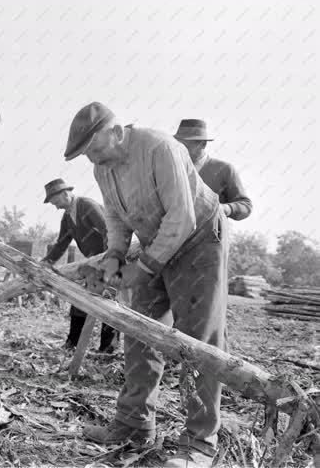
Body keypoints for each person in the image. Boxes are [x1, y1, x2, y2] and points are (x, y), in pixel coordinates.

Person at [65, 102, 228, 468]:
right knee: (139, 331)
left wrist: (145, 268)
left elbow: (182, 217)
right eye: (87, 154)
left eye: (95, 149)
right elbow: (115, 215)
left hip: (198, 240)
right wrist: (114, 254)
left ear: (117, 133)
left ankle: (200, 443)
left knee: (198, 339)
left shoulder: (159, 148)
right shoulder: (102, 167)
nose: (93, 159)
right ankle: (133, 424)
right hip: (156, 241)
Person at [41, 178, 117, 353]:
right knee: (79, 301)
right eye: (53, 204)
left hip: (110, 260)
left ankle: (108, 348)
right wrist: (47, 262)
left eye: (57, 202)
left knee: (110, 304)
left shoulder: (87, 205)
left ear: (66, 194)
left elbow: (109, 231)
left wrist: (106, 260)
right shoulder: (67, 217)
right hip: (92, 264)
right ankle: (72, 342)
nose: (56, 206)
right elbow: (61, 243)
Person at [174, 119, 253, 221]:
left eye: (186, 144)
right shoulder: (170, 169)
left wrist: (224, 208)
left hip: (211, 235)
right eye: (179, 144)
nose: (181, 148)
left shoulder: (224, 169)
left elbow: (246, 206)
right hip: (172, 235)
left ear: (203, 144)